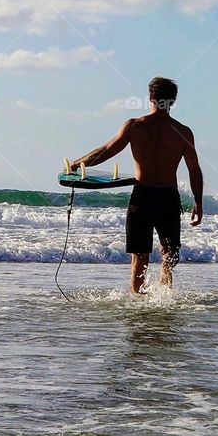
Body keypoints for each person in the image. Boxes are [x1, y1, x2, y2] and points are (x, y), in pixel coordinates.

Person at [71, 77, 203, 294]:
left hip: (143, 196)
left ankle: (138, 300)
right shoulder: (183, 132)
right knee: (170, 253)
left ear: (150, 97)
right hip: (168, 197)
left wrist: (78, 164)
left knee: (140, 256)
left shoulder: (135, 126)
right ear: (173, 101)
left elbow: (107, 150)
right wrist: (198, 202)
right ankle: (164, 290)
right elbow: (194, 169)